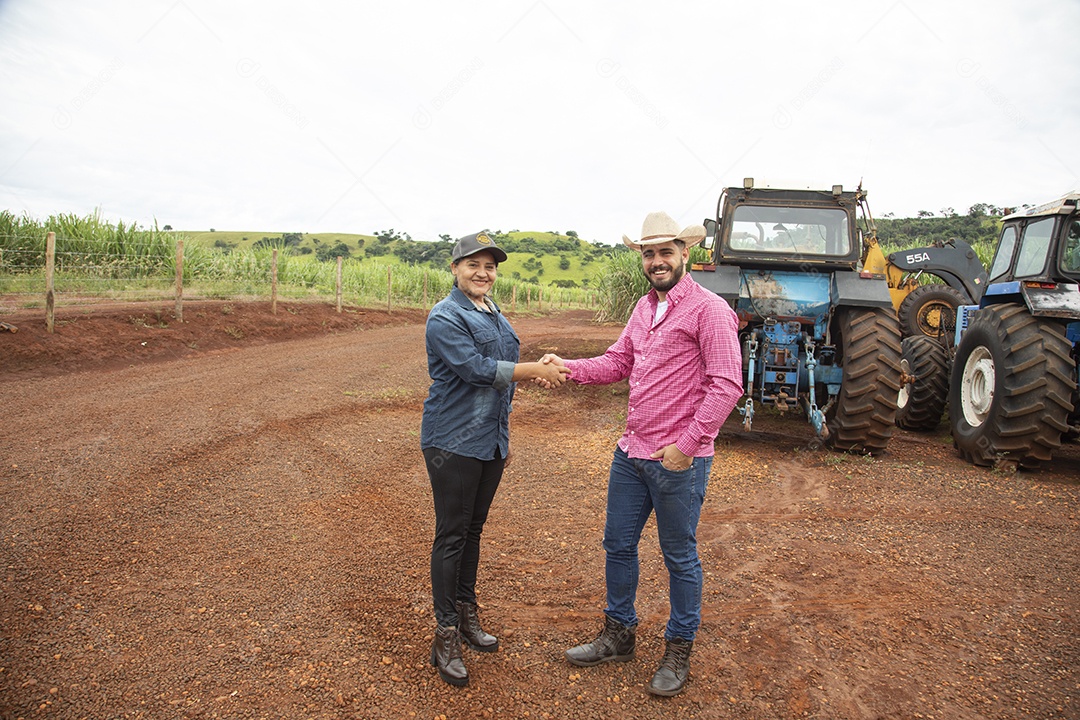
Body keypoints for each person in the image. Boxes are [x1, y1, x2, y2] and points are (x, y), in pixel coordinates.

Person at [540, 211, 742, 697]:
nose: (656, 261)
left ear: (684, 254)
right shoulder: (643, 307)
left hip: (678, 461)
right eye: (649, 253)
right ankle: (619, 634)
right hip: (631, 453)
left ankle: (679, 647)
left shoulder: (710, 310)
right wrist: (567, 367)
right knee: (617, 545)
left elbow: (727, 386)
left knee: (679, 557)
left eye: (665, 252)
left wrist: (687, 447)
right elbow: (618, 362)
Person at [422, 231, 570, 687]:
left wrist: (504, 432)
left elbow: (505, 374)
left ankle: (467, 614)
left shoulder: (493, 311)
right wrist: (532, 370)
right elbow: (477, 370)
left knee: (473, 530)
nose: (483, 273)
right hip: (452, 441)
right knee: (452, 534)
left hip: (489, 441)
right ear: (455, 269)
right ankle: (445, 633)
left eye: (490, 266)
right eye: (473, 265)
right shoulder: (445, 316)